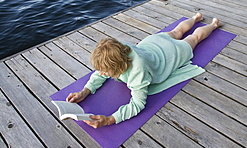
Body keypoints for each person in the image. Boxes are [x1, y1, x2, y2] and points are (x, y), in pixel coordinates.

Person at [66, 13, 221, 128]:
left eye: (106, 71)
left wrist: (110, 119)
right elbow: (101, 72)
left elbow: (138, 104)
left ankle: (213, 25)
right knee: (176, 31)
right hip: (152, 44)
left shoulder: (137, 71)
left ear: (117, 66)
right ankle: (195, 18)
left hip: (170, 54)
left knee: (194, 38)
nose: (102, 73)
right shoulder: (119, 48)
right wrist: (85, 91)